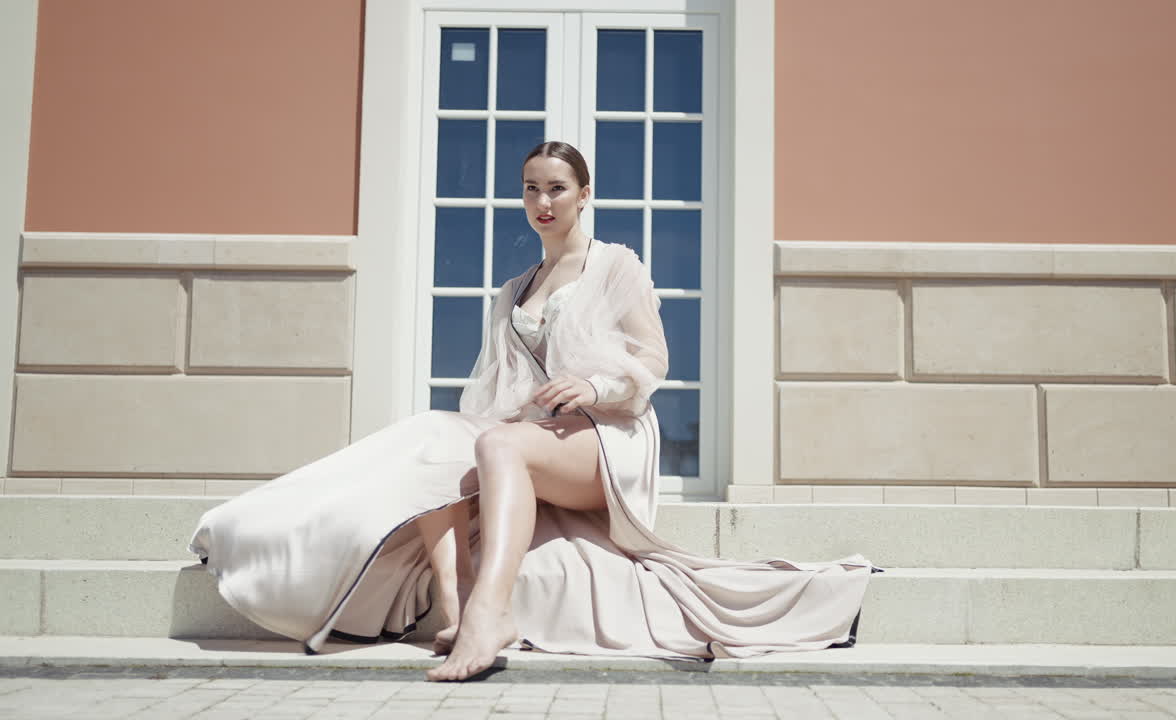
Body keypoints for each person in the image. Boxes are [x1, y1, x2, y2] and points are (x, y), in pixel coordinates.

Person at [190, 141, 874, 683]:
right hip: (539, 438)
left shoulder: (615, 266)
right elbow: (493, 392)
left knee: (501, 448)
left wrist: (597, 389)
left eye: (556, 188)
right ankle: (455, 609)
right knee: (438, 435)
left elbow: (653, 362)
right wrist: (493, 426)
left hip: (607, 440)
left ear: (583, 196)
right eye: (531, 187)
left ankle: (492, 612)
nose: (541, 200)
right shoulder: (516, 288)